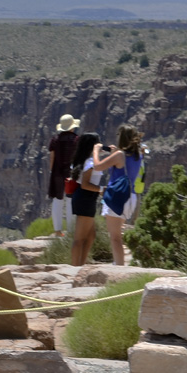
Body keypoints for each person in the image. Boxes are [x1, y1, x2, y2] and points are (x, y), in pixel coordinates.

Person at [97, 125, 144, 266]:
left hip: (118, 196)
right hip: (131, 196)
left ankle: (119, 266)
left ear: (121, 138)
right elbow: (125, 164)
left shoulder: (119, 155)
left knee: (115, 237)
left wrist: (96, 150)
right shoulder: (138, 155)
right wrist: (116, 152)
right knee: (117, 234)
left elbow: (98, 166)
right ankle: (118, 263)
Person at [69, 133, 104, 266]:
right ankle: (74, 268)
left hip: (83, 198)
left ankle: (81, 265)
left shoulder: (83, 160)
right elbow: (85, 184)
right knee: (79, 239)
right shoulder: (89, 163)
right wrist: (101, 189)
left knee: (90, 236)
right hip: (86, 198)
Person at [48, 114, 81, 236]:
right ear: (72, 127)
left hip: (57, 172)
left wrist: (52, 171)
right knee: (70, 199)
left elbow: (52, 157)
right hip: (71, 174)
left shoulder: (55, 140)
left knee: (57, 200)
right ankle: (71, 230)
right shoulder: (77, 139)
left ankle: (58, 230)